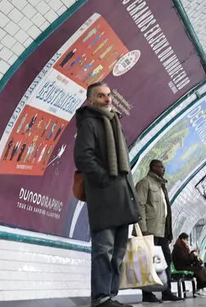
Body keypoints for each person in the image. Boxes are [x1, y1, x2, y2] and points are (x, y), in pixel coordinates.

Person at [74, 82, 141, 307]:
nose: (107, 99)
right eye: (101, 96)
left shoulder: (114, 122)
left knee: (118, 252)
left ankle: (111, 295)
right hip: (103, 196)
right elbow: (84, 157)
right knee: (104, 249)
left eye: (109, 94)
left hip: (122, 195)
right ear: (91, 100)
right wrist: (104, 179)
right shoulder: (89, 124)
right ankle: (101, 297)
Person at [135, 160, 183, 303]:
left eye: (163, 167)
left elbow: (165, 210)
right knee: (148, 262)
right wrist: (143, 229)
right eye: (161, 167)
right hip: (149, 230)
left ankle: (166, 291)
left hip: (162, 231)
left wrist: (169, 232)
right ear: (153, 167)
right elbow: (139, 206)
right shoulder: (144, 183)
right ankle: (147, 294)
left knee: (166, 260)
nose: (164, 169)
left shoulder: (162, 186)